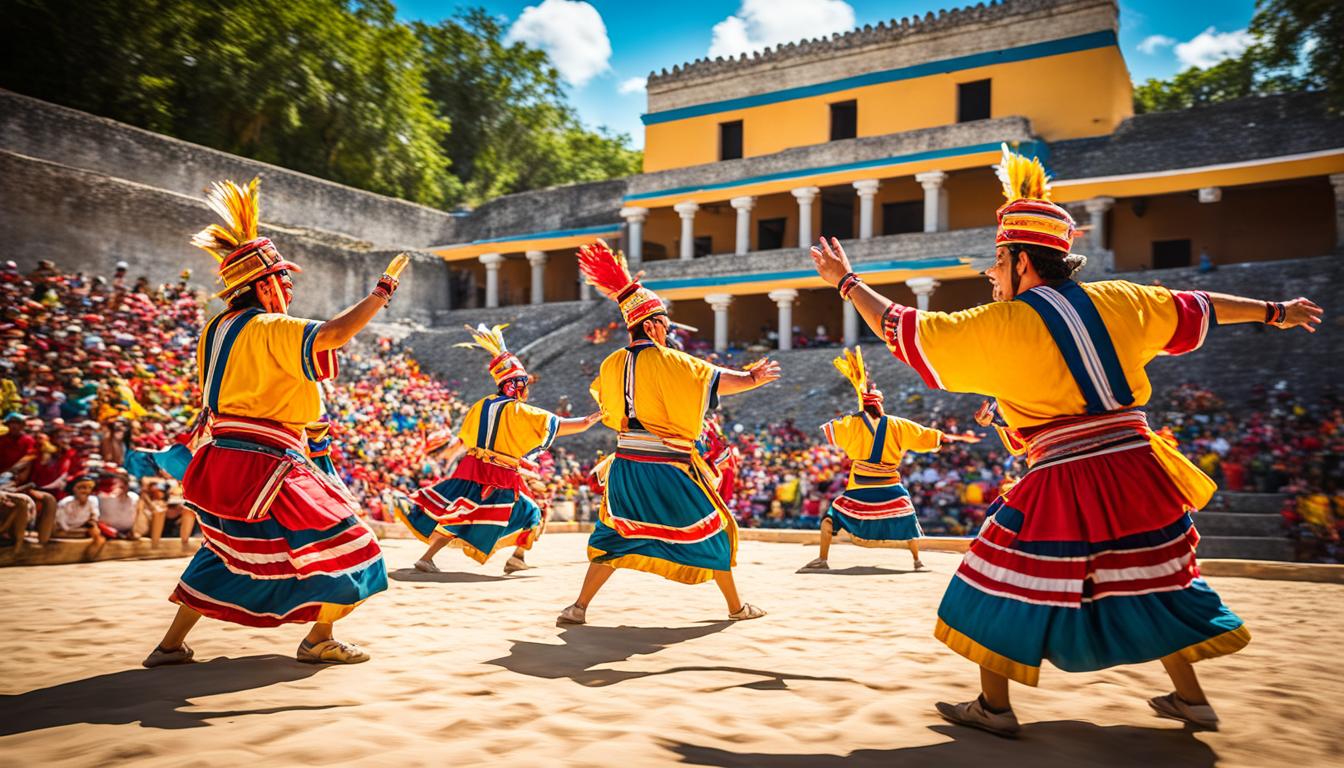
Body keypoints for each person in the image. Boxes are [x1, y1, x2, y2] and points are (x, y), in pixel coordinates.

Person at [807, 144, 1324, 736]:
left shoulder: (1002, 324)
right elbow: (1201, 307)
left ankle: (994, 708)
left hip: (1063, 476)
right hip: (1141, 469)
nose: (991, 276)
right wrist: (1275, 310)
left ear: (1022, 261)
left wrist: (845, 281)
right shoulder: (1126, 299)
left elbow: (903, 328)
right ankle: (1192, 699)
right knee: (1153, 579)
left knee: (992, 582)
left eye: (996, 265)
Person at [143, 178, 404, 668]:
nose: (289, 288)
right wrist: (381, 293)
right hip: (269, 464)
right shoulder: (270, 325)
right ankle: (319, 638)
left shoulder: (214, 329)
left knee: (225, 551)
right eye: (284, 280)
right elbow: (334, 334)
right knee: (355, 545)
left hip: (221, 458)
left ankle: (170, 646)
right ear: (264, 285)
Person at [557, 240, 781, 625]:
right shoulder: (673, 360)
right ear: (650, 324)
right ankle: (735, 608)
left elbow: (609, 404)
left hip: (626, 464)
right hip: (669, 466)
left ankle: (577, 608)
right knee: (716, 528)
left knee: (615, 537)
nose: (668, 328)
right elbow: (720, 381)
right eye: (664, 321)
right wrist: (753, 378)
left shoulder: (610, 363)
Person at [395, 324, 601, 574]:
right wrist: (594, 418)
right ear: (516, 384)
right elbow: (563, 425)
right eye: (524, 383)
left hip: (472, 467)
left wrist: (449, 455)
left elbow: (466, 439)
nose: (527, 389)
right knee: (532, 511)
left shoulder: (481, 405)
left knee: (460, 513)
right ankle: (517, 556)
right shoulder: (520, 411)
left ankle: (430, 557)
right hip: (500, 475)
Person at [801, 347, 978, 573]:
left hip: (860, 487)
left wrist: (853, 418)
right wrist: (956, 437)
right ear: (880, 404)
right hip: (889, 486)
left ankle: (822, 559)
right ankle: (917, 561)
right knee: (907, 519)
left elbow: (830, 430)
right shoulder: (898, 424)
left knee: (829, 519)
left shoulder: (852, 423)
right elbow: (932, 437)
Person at [54, 475, 106, 559]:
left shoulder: (93, 500)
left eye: (88, 488)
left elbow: (95, 516)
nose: (85, 490)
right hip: (65, 530)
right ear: (74, 489)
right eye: (81, 487)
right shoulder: (65, 503)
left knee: (97, 530)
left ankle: (92, 552)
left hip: (82, 527)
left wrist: (92, 522)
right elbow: (61, 523)